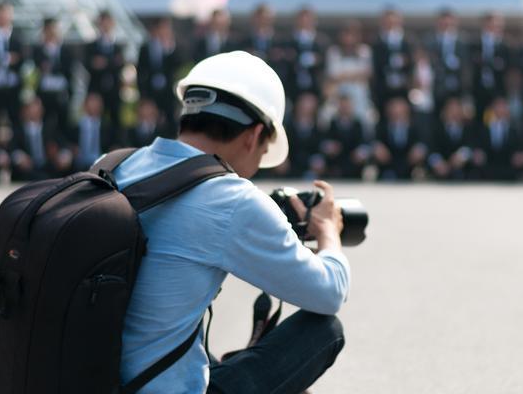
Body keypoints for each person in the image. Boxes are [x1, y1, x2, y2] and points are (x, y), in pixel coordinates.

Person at [111, 51, 348, 393]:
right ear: (253, 136)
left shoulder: (114, 165)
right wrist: (328, 232)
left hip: (91, 378)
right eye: (264, 150)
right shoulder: (232, 198)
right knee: (324, 331)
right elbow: (330, 292)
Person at [10, 97, 72, 181]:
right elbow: (12, 148)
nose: (34, 110)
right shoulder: (18, 129)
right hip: (26, 170)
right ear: (24, 110)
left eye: (37, 107)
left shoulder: (50, 128)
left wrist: (63, 156)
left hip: (49, 168)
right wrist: (19, 157)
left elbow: (64, 145)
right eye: (31, 107)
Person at [84, 10, 125, 130]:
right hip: (97, 90)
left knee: (115, 123)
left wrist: (104, 62)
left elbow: (120, 65)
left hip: (114, 91)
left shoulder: (118, 47)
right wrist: (112, 62)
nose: (105, 26)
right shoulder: (91, 46)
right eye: (103, 23)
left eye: (108, 22)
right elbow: (89, 65)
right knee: (95, 123)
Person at [137, 17, 182, 125]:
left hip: (168, 91)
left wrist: (169, 48)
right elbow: (140, 71)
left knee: (170, 120)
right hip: (150, 90)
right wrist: (143, 94)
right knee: (151, 119)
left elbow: (178, 65)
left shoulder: (172, 46)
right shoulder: (145, 48)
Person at [32, 17, 73, 135]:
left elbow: (68, 68)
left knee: (63, 124)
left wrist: (52, 67)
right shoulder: (39, 49)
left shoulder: (65, 49)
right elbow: (39, 66)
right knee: (45, 124)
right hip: (45, 92)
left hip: (61, 91)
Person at [372, 97, 427, 180]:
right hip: (387, 166)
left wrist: (420, 149)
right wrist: (377, 147)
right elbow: (373, 142)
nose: (397, 112)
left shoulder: (416, 127)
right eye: (394, 110)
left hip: (410, 165)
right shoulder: (381, 127)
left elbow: (424, 142)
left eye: (400, 111)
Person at [371, 8, 413, 110]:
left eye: (393, 22)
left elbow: (411, 62)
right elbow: (376, 64)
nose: (391, 25)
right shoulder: (376, 42)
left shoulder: (407, 41)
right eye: (388, 22)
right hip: (383, 88)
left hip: (403, 87)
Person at [471, 12, 511, 120]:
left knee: (498, 120)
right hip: (479, 90)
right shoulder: (474, 44)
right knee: (480, 119)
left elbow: (506, 66)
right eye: (491, 25)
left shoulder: (504, 46)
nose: (495, 28)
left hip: (498, 89)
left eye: (497, 25)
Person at [426, 8, 468, 109]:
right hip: (436, 89)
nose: (446, 27)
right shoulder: (429, 42)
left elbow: (467, 68)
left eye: (449, 24)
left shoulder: (463, 42)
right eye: (443, 24)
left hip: (458, 90)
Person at [287, 7, 327, 99]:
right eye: (302, 20)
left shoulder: (321, 41)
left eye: (308, 20)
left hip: (316, 88)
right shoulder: (288, 41)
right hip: (292, 88)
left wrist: (318, 60)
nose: (304, 23)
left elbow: (326, 63)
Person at [71, 92, 114, 171]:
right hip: (79, 164)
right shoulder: (76, 126)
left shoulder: (107, 127)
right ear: (85, 105)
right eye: (92, 102)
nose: (95, 106)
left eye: (98, 103)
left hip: (101, 164)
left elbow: (112, 145)